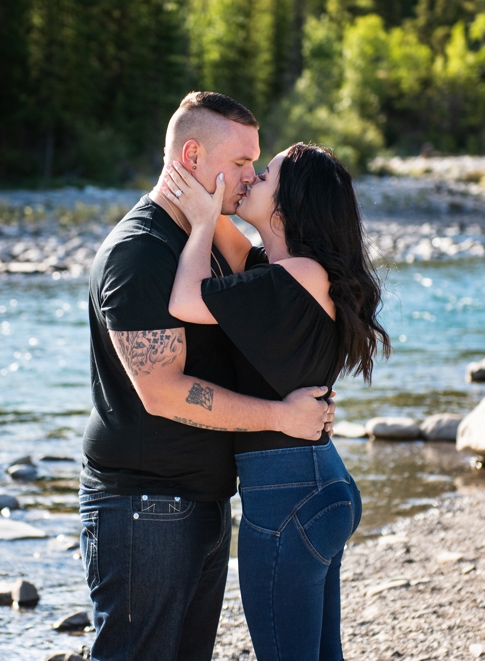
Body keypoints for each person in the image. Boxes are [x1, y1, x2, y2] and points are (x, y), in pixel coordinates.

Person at [79, 91, 335, 660]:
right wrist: (284, 418)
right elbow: (163, 392)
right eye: (242, 162)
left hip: (202, 502)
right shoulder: (141, 253)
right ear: (192, 155)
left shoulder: (211, 237)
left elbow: (272, 291)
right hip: (145, 506)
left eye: (256, 164)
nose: (250, 177)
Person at [152, 142, 388, 660]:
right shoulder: (294, 271)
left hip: (287, 495)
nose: (252, 177)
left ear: (285, 208)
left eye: (264, 175)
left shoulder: (297, 276)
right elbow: (236, 252)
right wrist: (198, 189)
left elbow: (185, 301)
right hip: (313, 481)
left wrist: (196, 227)